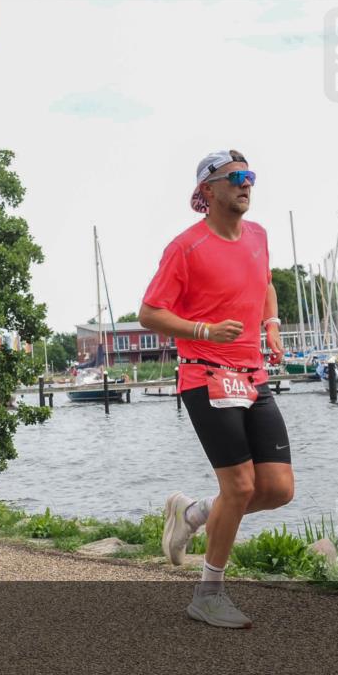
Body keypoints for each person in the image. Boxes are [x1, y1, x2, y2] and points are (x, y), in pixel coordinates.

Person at [139, 150, 291, 630]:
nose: (247, 185)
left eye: (250, 177)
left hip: (252, 374)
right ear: (208, 190)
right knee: (241, 487)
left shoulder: (259, 236)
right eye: (236, 178)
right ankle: (208, 594)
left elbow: (264, 282)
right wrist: (203, 331)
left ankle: (194, 512)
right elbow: (149, 313)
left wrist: (271, 324)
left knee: (278, 489)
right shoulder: (185, 248)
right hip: (205, 373)